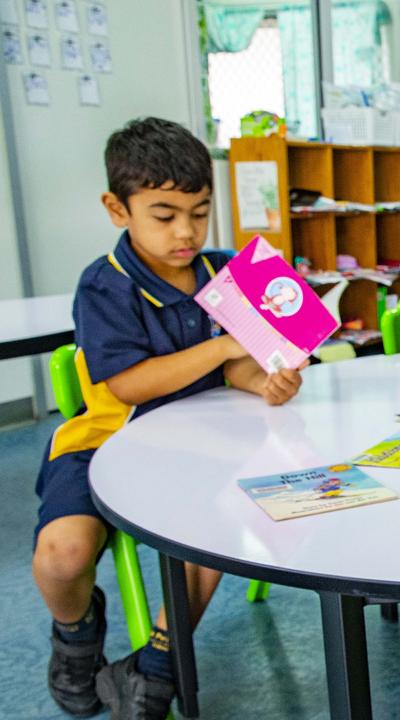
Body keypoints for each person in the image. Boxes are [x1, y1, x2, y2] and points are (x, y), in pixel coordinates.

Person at [31, 118, 304, 719]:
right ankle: (75, 637)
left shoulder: (229, 270)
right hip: (105, 440)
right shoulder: (105, 284)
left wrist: (267, 379)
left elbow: (245, 369)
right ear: (116, 208)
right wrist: (227, 346)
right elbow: (128, 383)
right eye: (164, 215)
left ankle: (158, 658)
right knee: (62, 553)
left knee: (219, 523)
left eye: (200, 213)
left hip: (208, 444)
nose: (186, 231)